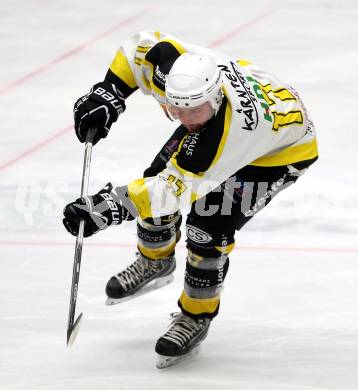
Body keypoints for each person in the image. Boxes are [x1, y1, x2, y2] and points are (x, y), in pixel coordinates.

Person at [63, 31, 318, 368]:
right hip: (246, 114)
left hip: (278, 154)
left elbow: (170, 193)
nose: (182, 119)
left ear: (213, 100)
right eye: (175, 109)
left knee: (207, 228)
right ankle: (156, 260)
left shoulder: (223, 136)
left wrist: (107, 207)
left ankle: (196, 315)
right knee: (151, 182)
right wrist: (109, 93)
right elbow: (137, 50)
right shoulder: (184, 86)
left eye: (192, 111)